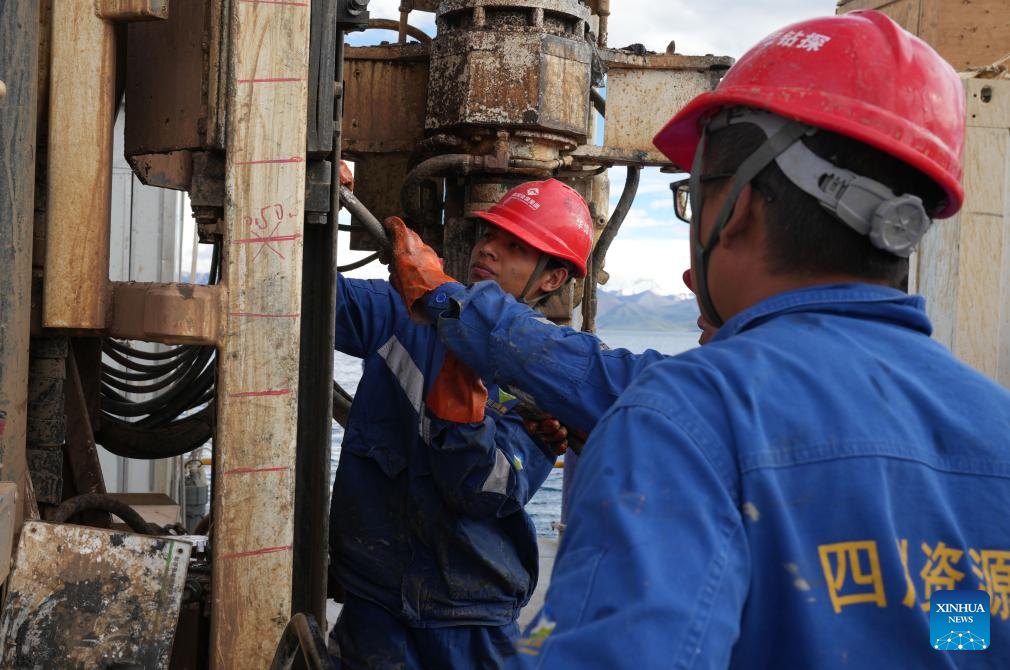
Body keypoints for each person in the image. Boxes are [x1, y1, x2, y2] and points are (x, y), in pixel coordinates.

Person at [382, 10, 1010, 668]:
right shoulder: (992, 430)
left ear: (735, 208)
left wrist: (446, 298)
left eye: (692, 194)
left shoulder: (682, 420)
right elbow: (960, 635)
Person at [329, 178, 599, 669]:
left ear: (553, 278)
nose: (489, 249)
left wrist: (462, 415)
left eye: (515, 246)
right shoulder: (401, 314)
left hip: (470, 611)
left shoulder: (544, 384)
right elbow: (307, 294)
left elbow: (483, 490)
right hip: (375, 598)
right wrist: (312, 197)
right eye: (489, 235)